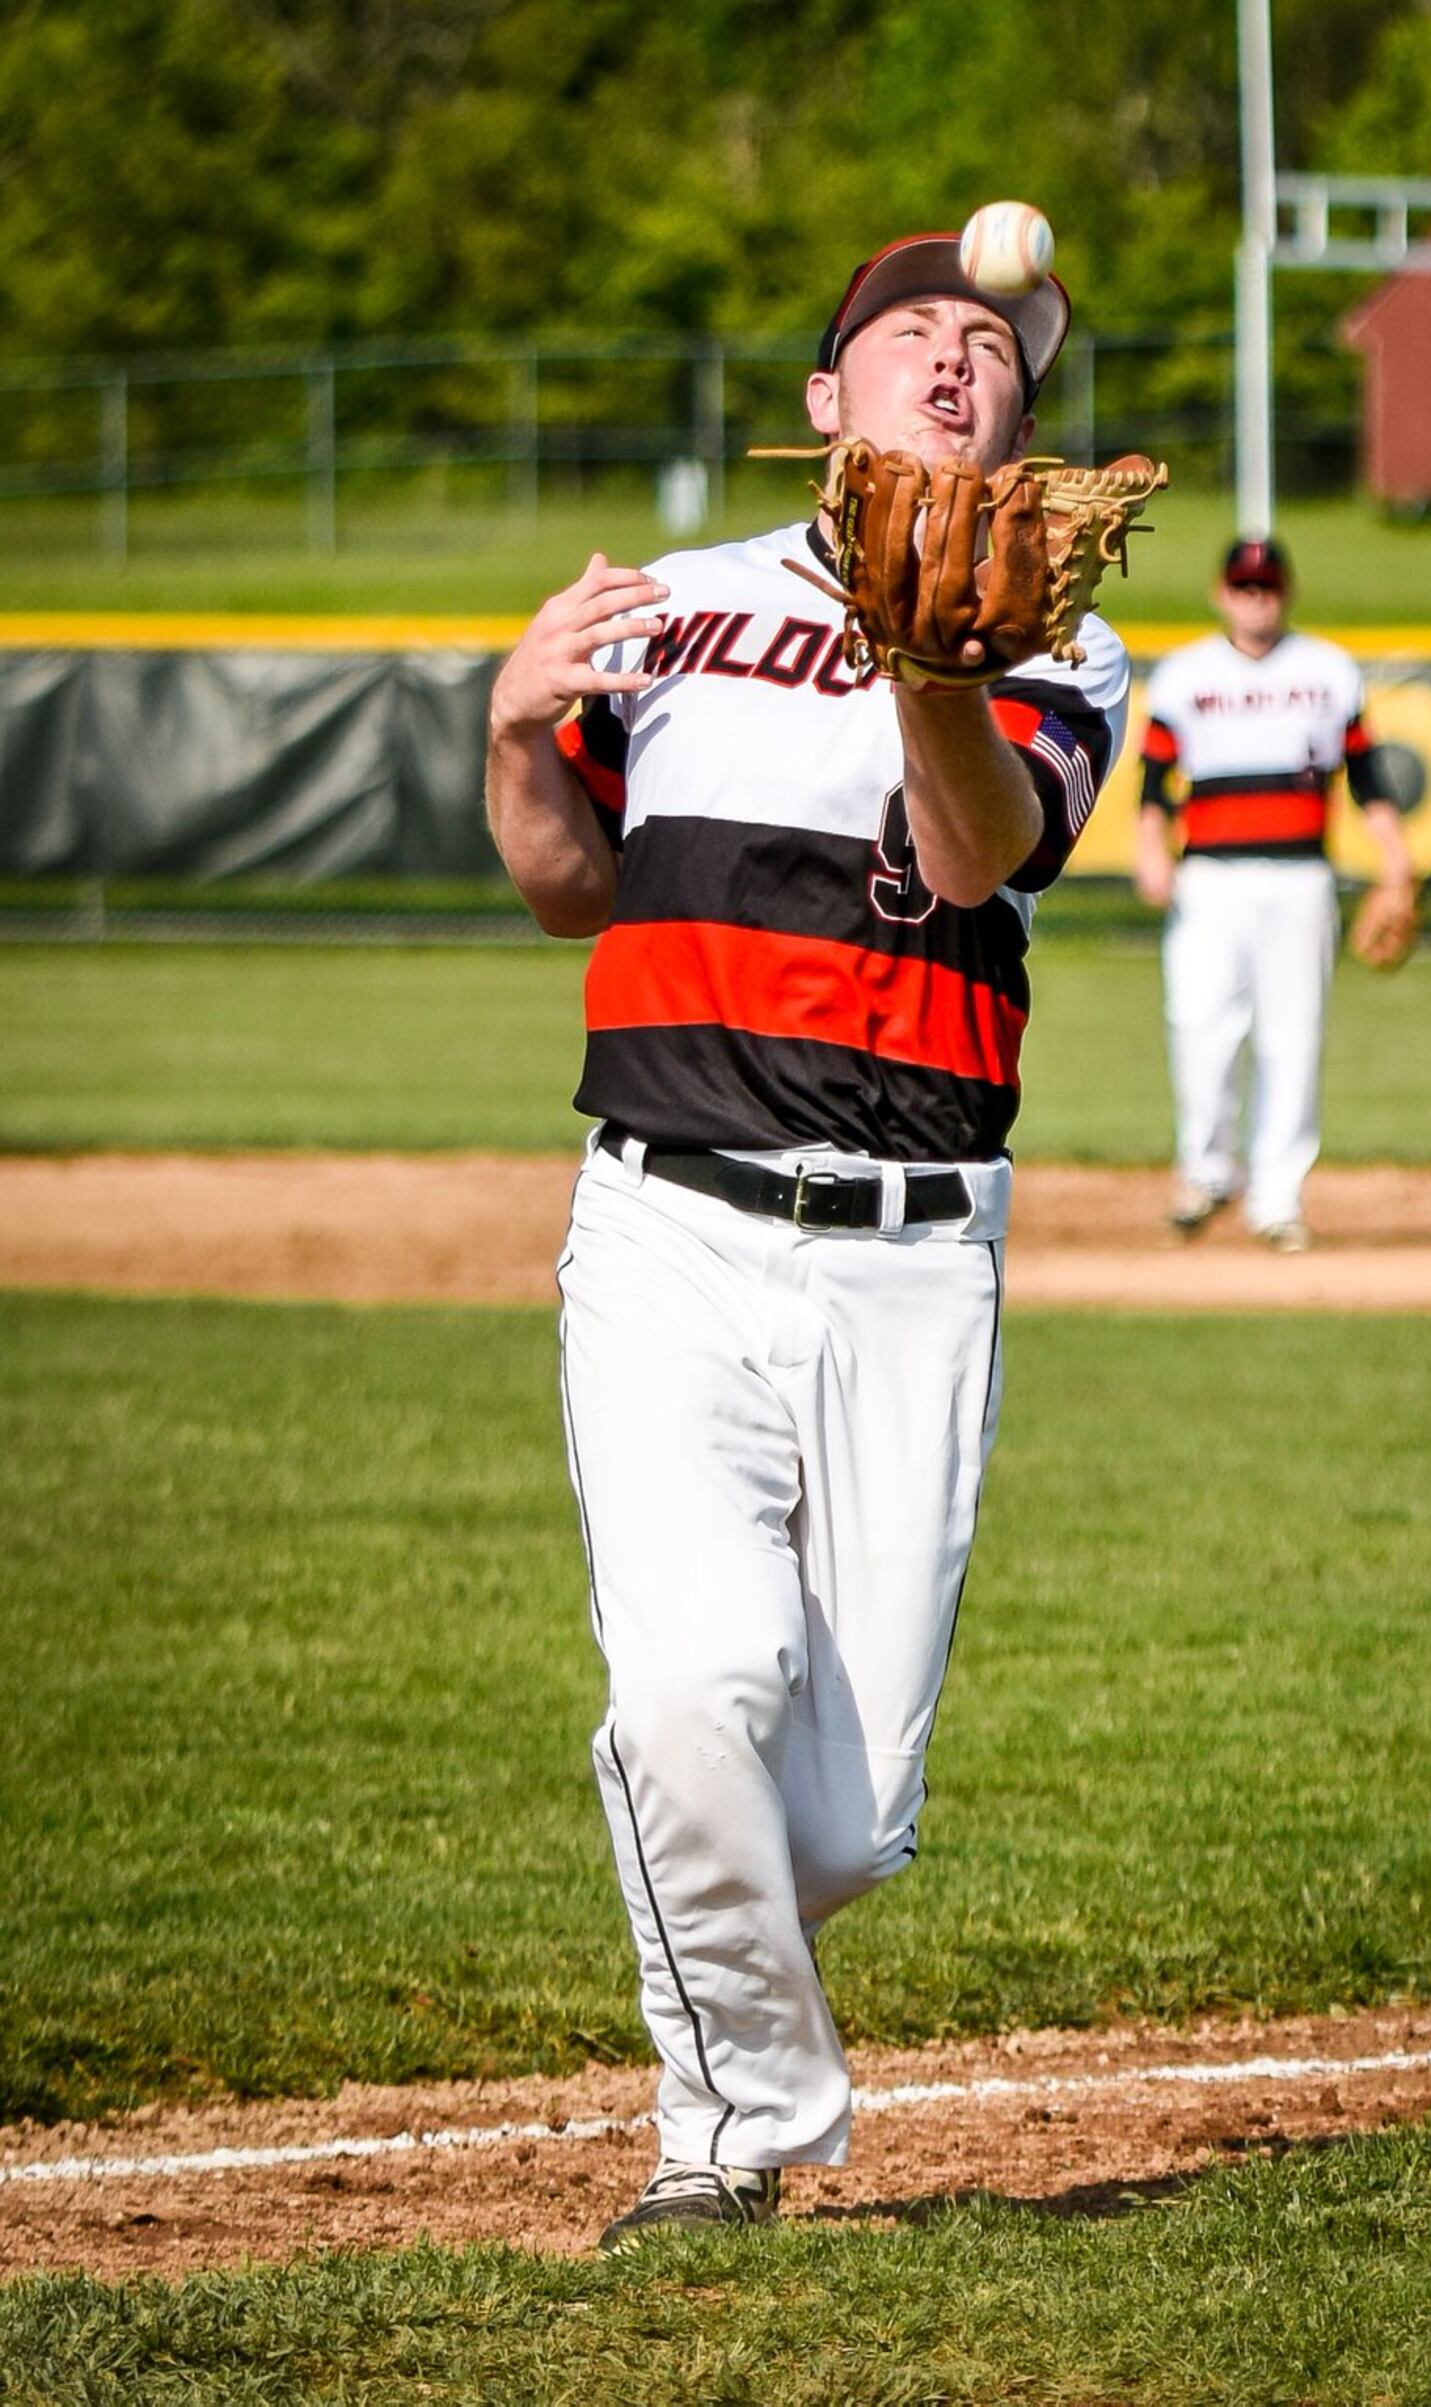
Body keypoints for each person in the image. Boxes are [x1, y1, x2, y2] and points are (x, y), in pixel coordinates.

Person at [485, 232, 1130, 2249]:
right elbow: (564, 890)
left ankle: (731, 2060)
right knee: (693, 1688)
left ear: (1020, 418)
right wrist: (513, 735)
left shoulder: (1053, 641)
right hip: (669, 1229)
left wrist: (937, 674)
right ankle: (729, 2135)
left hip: (914, 1259)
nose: (957, 364)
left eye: (993, 353)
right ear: (826, 403)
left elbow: (974, 853)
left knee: (841, 1822)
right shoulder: (672, 609)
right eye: (912, 340)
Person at [1133, 536, 1415, 1251]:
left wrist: (1396, 862)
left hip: (1300, 876)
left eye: (1266, 587)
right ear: (1220, 593)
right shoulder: (1184, 674)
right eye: (1243, 587)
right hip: (1209, 877)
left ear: (1285, 591)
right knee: (1200, 1025)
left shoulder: (1327, 670)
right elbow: (1153, 782)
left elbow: (1367, 775)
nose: (1255, 599)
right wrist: (1149, 850)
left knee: (1293, 1036)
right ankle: (1205, 1172)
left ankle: (1277, 1195)